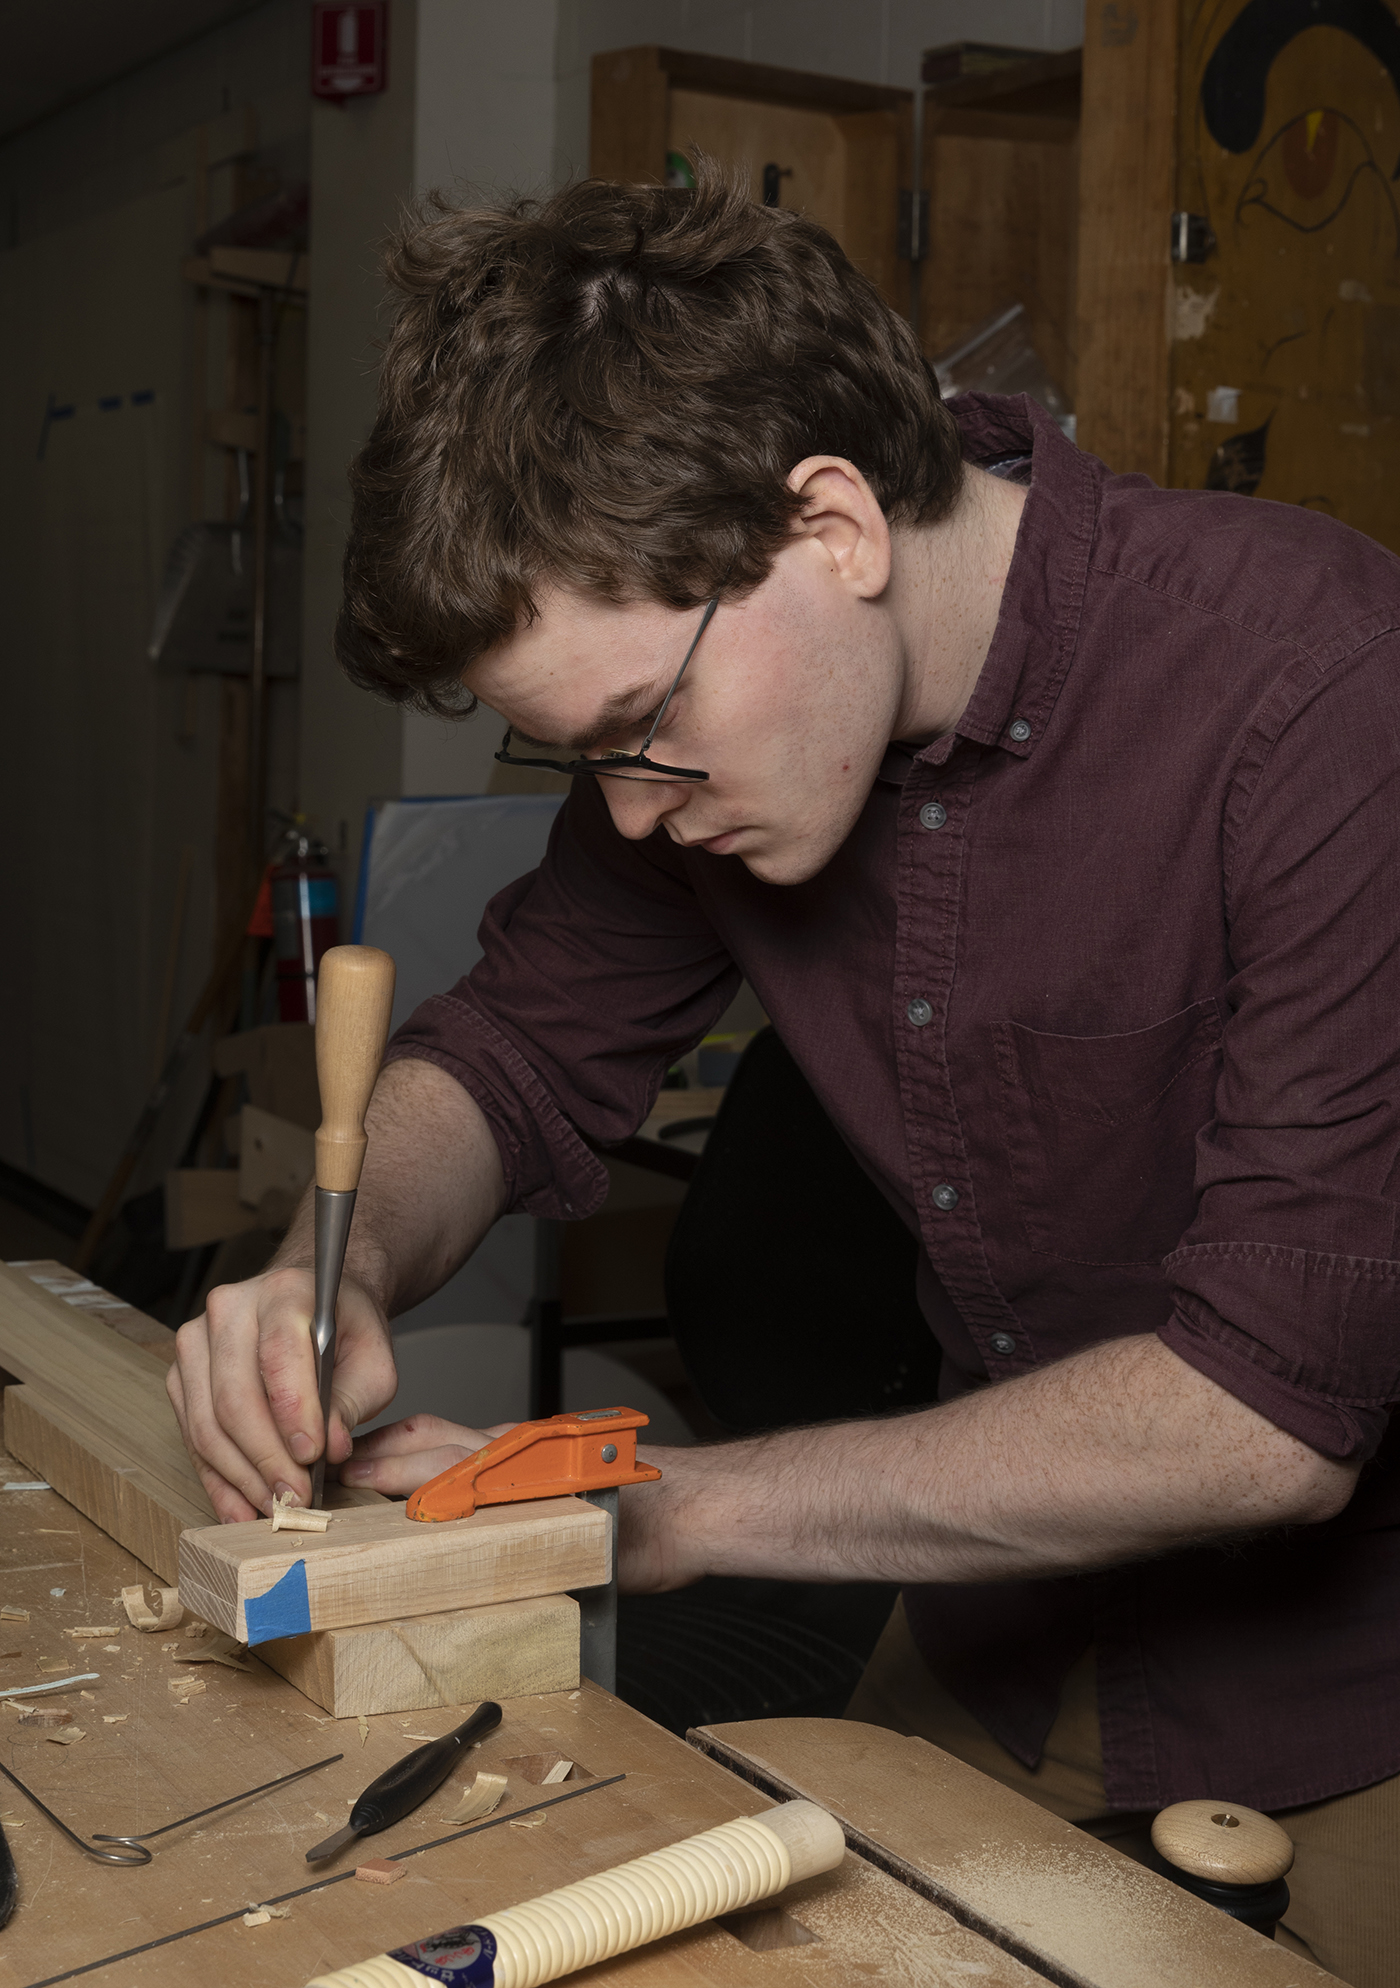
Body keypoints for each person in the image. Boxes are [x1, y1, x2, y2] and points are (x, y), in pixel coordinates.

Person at [167, 170, 1400, 1982]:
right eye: (569, 758)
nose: (631, 811)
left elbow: (1265, 1418)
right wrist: (328, 1268)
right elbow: (506, 1060)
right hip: (1004, 1626)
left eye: (637, 734)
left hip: (1359, 1685)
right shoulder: (707, 740)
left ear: (828, 523)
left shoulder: (1321, 686)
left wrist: (676, 1509)